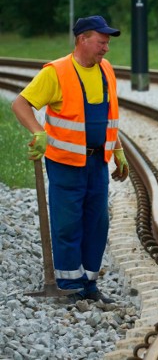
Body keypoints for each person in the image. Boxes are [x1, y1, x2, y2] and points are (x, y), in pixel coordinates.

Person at [12, 15, 129, 303]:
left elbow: (108, 117)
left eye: (107, 43)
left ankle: (89, 285)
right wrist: (38, 132)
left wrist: (118, 149)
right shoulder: (57, 72)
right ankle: (68, 285)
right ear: (82, 40)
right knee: (68, 224)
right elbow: (21, 103)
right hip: (65, 162)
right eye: (101, 42)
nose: (106, 48)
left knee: (97, 223)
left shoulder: (106, 71)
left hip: (97, 163)